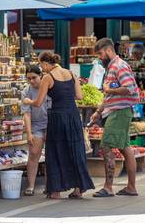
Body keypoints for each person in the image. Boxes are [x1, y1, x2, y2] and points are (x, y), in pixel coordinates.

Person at [22, 52, 94, 199]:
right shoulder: (71, 74)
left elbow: (38, 103)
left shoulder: (48, 77)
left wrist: (28, 101)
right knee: (75, 150)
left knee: (55, 152)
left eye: (41, 65)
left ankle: (55, 191)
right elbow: (79, 96)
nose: (41, 68)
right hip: (73, 115)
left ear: (45, 63)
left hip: (57, 117)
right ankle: (79, 188)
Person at [90, 38, 140, 197]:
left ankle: (108, 187)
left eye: (100, 53)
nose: (99, 57)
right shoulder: (111, 67)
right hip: (117, 111)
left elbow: (130, 88)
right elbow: (108, 95)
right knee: (125, 149)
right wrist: (98, 112)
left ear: (108, 50)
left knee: (106, 146)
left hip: (119, 112)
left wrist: (110, 91)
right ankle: (131, 187)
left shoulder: (119, 66)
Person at [21, 65, 50, 196]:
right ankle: (31, 186)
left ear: (41, 76)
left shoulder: (49, 88)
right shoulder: (26, 91)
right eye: (29, 78)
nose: (31, 81)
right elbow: (26, 114)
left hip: (50, 123)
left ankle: (49, 185)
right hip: (35, 125)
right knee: (34, 154)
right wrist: (29, 133)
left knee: (51, 155)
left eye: (34, 78)